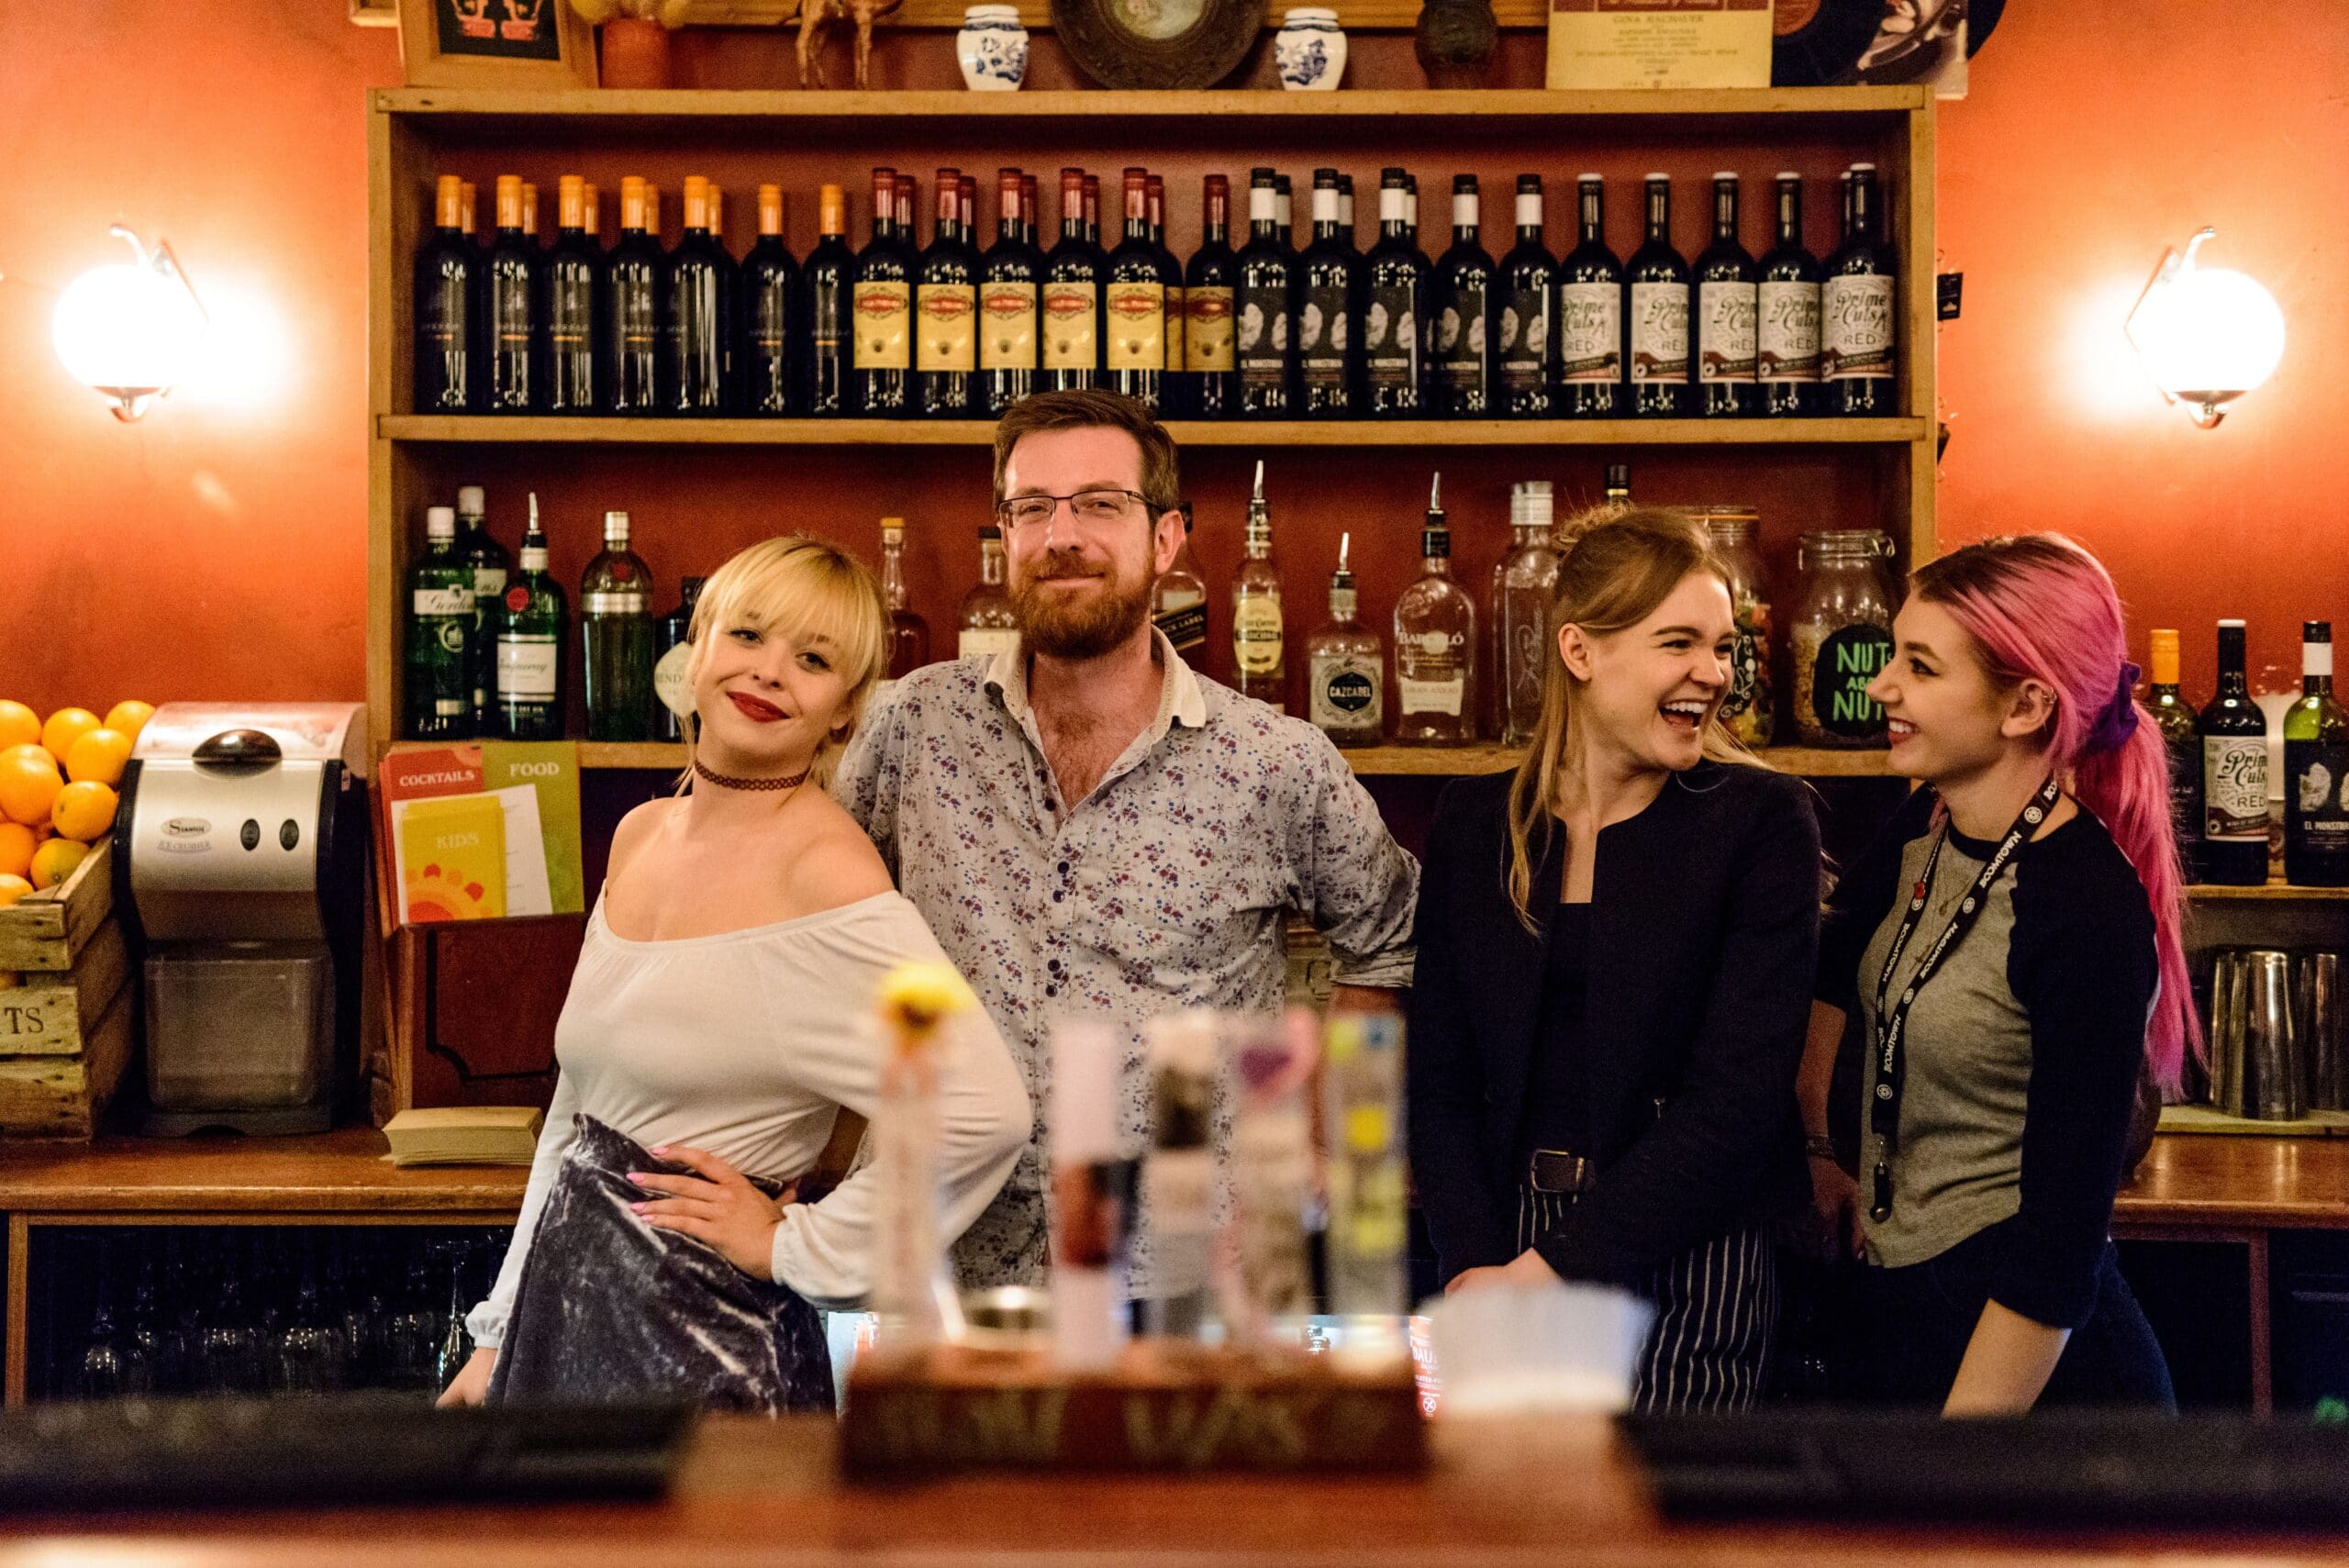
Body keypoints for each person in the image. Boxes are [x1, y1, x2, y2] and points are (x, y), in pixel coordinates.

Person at [831, 387, 1419, 1292]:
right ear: (1006, 534)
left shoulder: (1272, 760)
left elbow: (1387, 942)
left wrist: (1313, 1147)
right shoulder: (912, 724)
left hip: (1184, 1274)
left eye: (1100, 504)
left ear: (1165, 539)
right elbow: (824, 931)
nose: (1062, 534)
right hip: (942, 1259)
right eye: (1033, 508)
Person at [440, 538, 1028, 1412]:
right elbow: (577, 1117)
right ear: (698, 646)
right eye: (748, 635)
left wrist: (795, 1244)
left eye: (814, 659)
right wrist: (495, 1338)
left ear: (844, 710)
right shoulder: (641, 834)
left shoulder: (829, 873)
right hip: (562, 1331)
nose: (771, 672)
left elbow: (983, 1104)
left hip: (709, 1348)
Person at [1407, 507, 1821, 1413]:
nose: (1712, 673)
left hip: (1693, 1249)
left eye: (1720, 646)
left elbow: (1736, 1102)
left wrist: (1544, 1275)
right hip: (1503, 1236)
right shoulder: (1478, 822)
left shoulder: (1759, 821)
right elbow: (1437, 1078)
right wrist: (1480, 1266)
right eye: (1678, 642)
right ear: (1579, 651)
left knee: (1662, 1536)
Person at [1801, 533, 2191, 1414]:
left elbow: (2057, 1258)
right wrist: (1819, 1143)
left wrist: (1954, 1466)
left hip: (2040, 1386)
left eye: (1921, 667)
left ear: (2023, 706)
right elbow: (1833, 961)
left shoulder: (2085, 909)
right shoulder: (1924, 828)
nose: (1879, 687)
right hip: (1907, 1312)